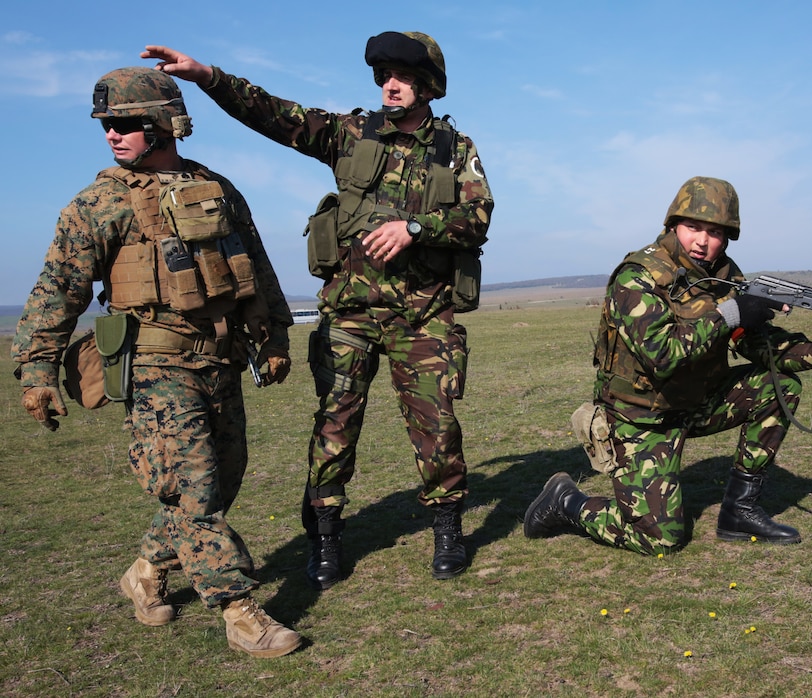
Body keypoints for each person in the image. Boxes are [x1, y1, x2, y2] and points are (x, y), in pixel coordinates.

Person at [143, 32, 494, 586]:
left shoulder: (455, 148)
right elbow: (273, 115)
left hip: (423, 315)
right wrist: (208, 76)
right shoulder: (348, 134)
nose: (390, 85)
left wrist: (416, 227)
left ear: (428, 85)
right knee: (334, 428)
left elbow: (478, 218)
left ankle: (447, 529)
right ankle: (325, 538)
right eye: (383, 76)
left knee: (438, 428)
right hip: (349, 314)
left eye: (401, 76)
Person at [11, 67, 301, 657]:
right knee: (192, 489)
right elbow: (56, 290)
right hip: (153, 367)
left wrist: (273, 340)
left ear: (165, 124)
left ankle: (145, 570)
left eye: (125, 124)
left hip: (220, 359)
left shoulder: (218, 190)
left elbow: (258, 269)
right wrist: (38, 371)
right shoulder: (97, 204)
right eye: (107, 126)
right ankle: (241, 612)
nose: (112, 135)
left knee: (217, 483)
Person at [523, 177, 812, 554]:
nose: (702, 241)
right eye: (693, 228)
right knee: (660, 539)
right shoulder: (637, 276)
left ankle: (740, 511)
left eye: (715, 232)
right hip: (642, 419)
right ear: (673, 225)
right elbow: (662, 356)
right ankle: (566, 501)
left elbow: (755, 345)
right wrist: (729, 315)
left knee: (779, 386)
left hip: (696, 404)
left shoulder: (725, 276)